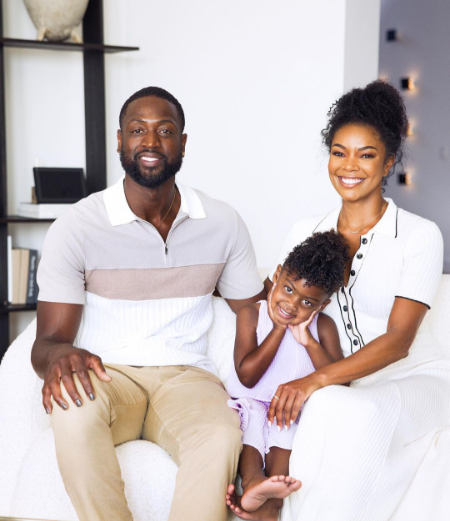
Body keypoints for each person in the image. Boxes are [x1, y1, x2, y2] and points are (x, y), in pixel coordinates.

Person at [31, 86, 265, 521]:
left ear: (183, 143)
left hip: (187, 377)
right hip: (107, 373)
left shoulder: (222, 222)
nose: (151, 142)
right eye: (138, 130)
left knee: (219, 435)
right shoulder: (78, 226)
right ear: (120, 141)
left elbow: (256, 310)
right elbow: (47, 342)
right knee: (71, 410)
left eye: (165, 130)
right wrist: (61, 353)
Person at [229, 80, 450, 521]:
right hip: (335, 382)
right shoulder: (304, 231)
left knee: (340, 409)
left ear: (388, 162)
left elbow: (398, 342)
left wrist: (314, 381)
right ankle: (269, 503)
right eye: (339, 151)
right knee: (303, 409)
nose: (350, 166)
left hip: (415, 378)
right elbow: (275, 303)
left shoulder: (419, 236)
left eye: (366, 155)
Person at [226, 231, 349, 520]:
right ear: (278, 275)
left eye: (308, 303)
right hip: (252, 400)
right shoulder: (251, 315)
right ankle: (254, 480)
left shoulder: (324, 327)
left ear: (322, 305)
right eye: (289, 289)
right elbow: (247, 376)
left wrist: (309, 342)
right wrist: (279, 328)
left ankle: (272, 501)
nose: (292, 305)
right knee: (251, 427)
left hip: (290, 409)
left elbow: (342, 381)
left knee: (286, 432)